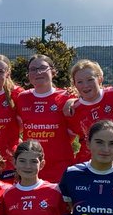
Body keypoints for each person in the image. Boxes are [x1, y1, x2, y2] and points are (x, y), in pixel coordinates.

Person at [13, 55, 75, 184]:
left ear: (53, 71)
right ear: (28, 74)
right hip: (30, 167)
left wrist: (74, 99)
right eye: (33, 69)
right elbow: (17, 127)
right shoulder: (22, 98)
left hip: (60, 166)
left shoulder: (67, 97)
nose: (38, 72)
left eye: (42, 68)